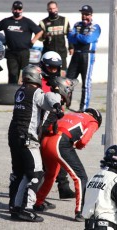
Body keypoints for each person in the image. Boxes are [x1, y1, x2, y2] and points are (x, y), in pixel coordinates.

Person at [8, 64, 64, 222]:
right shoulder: (36, 92)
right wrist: (57, 97)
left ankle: (14, 206)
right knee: (36, 174)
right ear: (35, 77)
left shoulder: (20, 91)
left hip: (14, 135)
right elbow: (48, 100)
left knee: (18, 173)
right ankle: (26, 209)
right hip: (26, 137)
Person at [34, 108, 102, 222]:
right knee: (80, 177)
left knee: (50, 174)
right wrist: (78, 146)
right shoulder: (93, 121)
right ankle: (81, 212)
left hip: (45, 140)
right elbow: (84, 141)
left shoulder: (71, 114)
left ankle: (38, 202)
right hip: (60, 142)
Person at [39, 51, 77, 199]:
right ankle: (37, 192)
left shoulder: (60, 81)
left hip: (56, 122)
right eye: (50, 68)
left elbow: (65, 103)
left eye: (55, 68)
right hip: (41, 123)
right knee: (41, 161)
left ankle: (64, 187)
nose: (53, 71)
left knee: (59, 152)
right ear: (44, 66)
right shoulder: (39, 82)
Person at [0, 1, 43, 84]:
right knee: (12, 74)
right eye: (15, 9)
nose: (17, 11)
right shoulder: (7, 21)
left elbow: (39, 32)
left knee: (24, 74)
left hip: (24, 52)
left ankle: (24, 92)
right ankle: (12, 93)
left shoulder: (27, 22)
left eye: (19, 9)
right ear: (12, 9)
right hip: (11, 52)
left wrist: (33, 41)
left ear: (22, 10)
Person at [66, 5, 101, 111]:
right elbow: (70, 37)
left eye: (86, 14)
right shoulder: (77, 25)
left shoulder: (95, 27)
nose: (84, 16)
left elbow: (88, 39)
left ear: (91, 15)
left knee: (86, 84)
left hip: (88, 55)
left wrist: (77, 36)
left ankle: (83, 108)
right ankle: (66, 104)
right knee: (68, 81)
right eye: (83, 14)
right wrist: (79, 37)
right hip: (76, 55)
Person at [39, 1, 74, 77]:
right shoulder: (43, 22)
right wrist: (44, 36)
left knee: (62, 74)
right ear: (47, 9)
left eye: (54, 8)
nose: (52, 10)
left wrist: (71, 47)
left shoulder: (64, 20)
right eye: (50, 9)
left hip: (61, 52)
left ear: (57, 8)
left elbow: (69, 35)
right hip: (48, 53)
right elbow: (40, 38)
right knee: (47, 74)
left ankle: (60, 88)